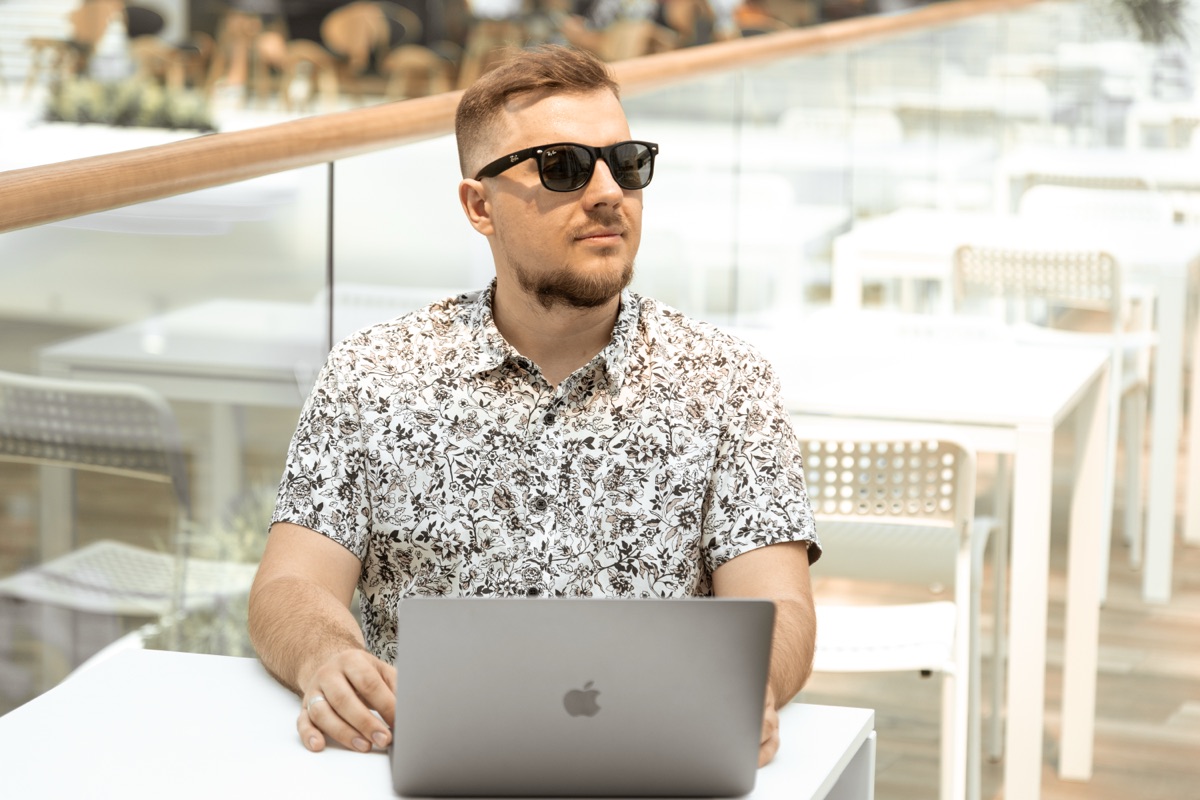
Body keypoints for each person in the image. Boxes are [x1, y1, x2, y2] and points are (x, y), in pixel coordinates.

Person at [248, 43, 820, 769]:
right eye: (564, 166)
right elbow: (289, 585)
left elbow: (783, 610)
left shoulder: (725, 382)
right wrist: (327, 657)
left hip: (653, 760)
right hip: (422, 759)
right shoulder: (376, 374)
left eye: (628, 161)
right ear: (479, 206)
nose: (610, 191)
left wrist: (748, 688)